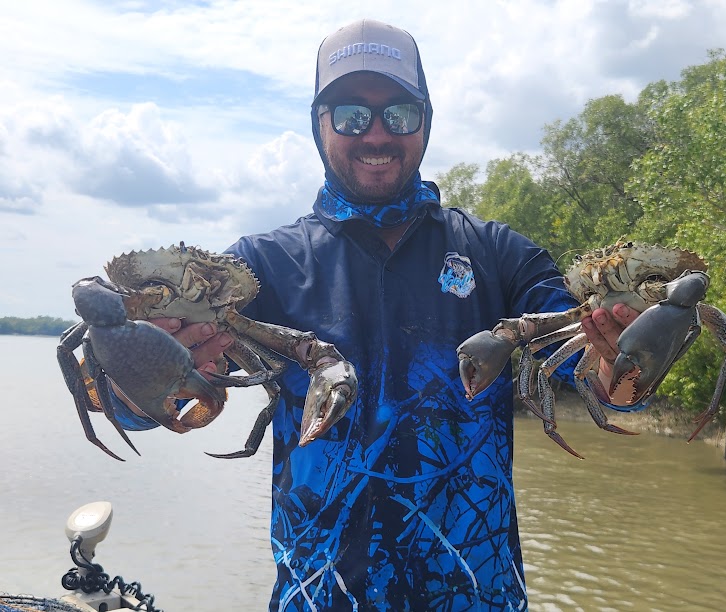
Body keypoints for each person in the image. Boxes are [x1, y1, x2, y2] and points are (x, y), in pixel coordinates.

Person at [111, 19, 638, 610]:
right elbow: (153, 408)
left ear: (427, 121)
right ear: (319, 125)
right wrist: (137, 374)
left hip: (476, 588)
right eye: (351, 115)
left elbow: (605, 384)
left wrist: (627, 351)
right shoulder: (254, 271)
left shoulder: (500, 254)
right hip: (321, 594)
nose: (377, 134)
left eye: (400, 113)